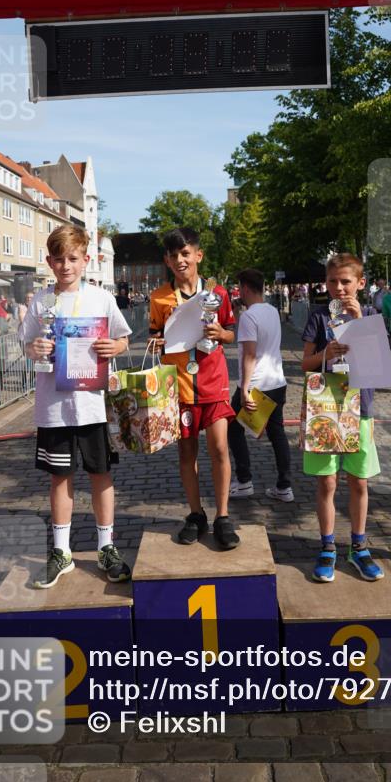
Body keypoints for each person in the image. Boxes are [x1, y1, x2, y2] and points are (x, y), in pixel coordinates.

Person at [19, 225, 131, 589]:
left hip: (92, 406)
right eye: (58, 259)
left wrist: (115, 348)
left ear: (86, 260)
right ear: (49, 262)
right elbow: (26, 345)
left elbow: (124, 338)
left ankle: (106, 546)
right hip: (54, 407)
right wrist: (33, 349)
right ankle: (62, 552)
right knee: (59, 477)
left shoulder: (101, 298)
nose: (65, 265)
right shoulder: (40, 302)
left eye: (72, 258)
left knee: (100, 474)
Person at [149, 227, 238, 549]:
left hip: (213, 384)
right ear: (167, 261)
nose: (180, 260)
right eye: (173, 256)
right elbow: (156, 338)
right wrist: (157, 341)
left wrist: (220, 334)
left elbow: (231, 334)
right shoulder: (159, 297)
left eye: (185, 253)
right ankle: (196, 513)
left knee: (219, 449)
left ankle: (223, 516)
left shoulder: (218, 293)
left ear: (198, 255)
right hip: (180, 389)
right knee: (187, 454)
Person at [301, 252, 383, 583]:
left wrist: (360, 321)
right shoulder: (319, 316)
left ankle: (359, 547)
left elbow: (378, 365)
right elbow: (306, 363)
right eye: (333, 281)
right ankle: (327, 546)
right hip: (326, 408)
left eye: (346, 281)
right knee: (327, 481)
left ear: (360, 283)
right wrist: (325, 354)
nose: (339, 287)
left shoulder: (372, 315)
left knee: (358, 480)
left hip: (359, 407)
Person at [227, 268, 293, 502]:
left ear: (245, 288)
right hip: (277, 380)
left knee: (233, 429)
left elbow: (249, 354)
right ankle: (284, 485)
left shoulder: (249, 316)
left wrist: (244, 388)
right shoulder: (272, 311)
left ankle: (244, 480)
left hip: (256, 383)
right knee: (277, 432)